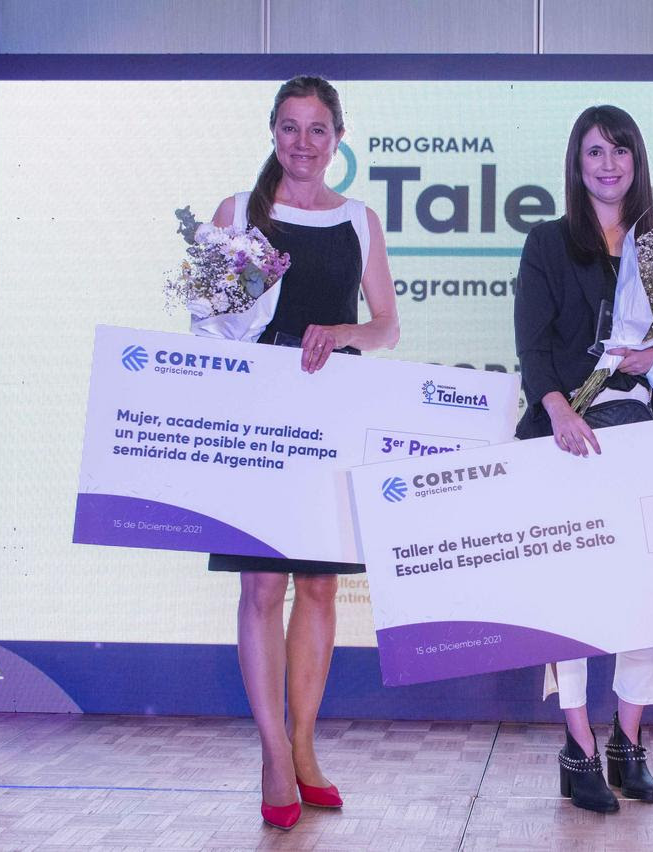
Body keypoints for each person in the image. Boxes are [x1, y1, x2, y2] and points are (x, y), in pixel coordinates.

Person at [206, 75, 399, 831]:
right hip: (256, 423)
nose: (303, 143)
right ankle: (272, 754)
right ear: (272, 132)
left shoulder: (358, 220)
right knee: (261, 588)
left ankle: (305, 747)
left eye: (318, 129)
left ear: (338, 139)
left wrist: (343, 333)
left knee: (318, 589)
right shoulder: (237, 215)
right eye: (290, 127)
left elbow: (386, 326)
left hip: (329, 418)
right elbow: (210, 323)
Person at [513, 105, 653, 813]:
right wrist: (559, 411)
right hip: (569, 438)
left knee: (645, 598)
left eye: (620, 151)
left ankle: (629, 739)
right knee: (575, 597)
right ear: (576, 162)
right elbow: (532, 346)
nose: (608, 164)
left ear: (636, 161)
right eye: (594, 151)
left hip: (645, 436)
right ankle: (579, 743)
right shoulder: (548, 242)